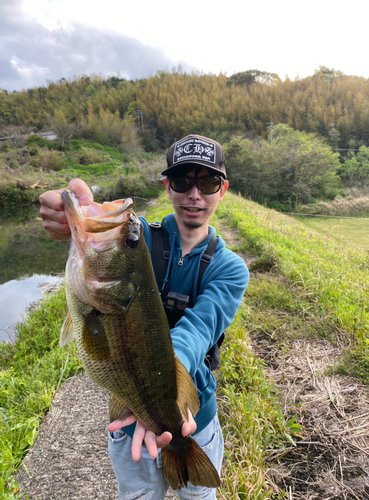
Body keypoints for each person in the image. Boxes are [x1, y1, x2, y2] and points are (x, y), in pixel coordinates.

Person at [39, 134, 249, 499]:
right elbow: (83, 203)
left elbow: (199, 329)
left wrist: (166, 396)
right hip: (128, 417)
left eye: (208, 182)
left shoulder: (230, 269)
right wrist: (67, 212)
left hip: (192, 421)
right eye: (183, 180)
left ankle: (184, 455)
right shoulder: (136, 239)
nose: (194, 194)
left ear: (223, 189)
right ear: (167, 186)